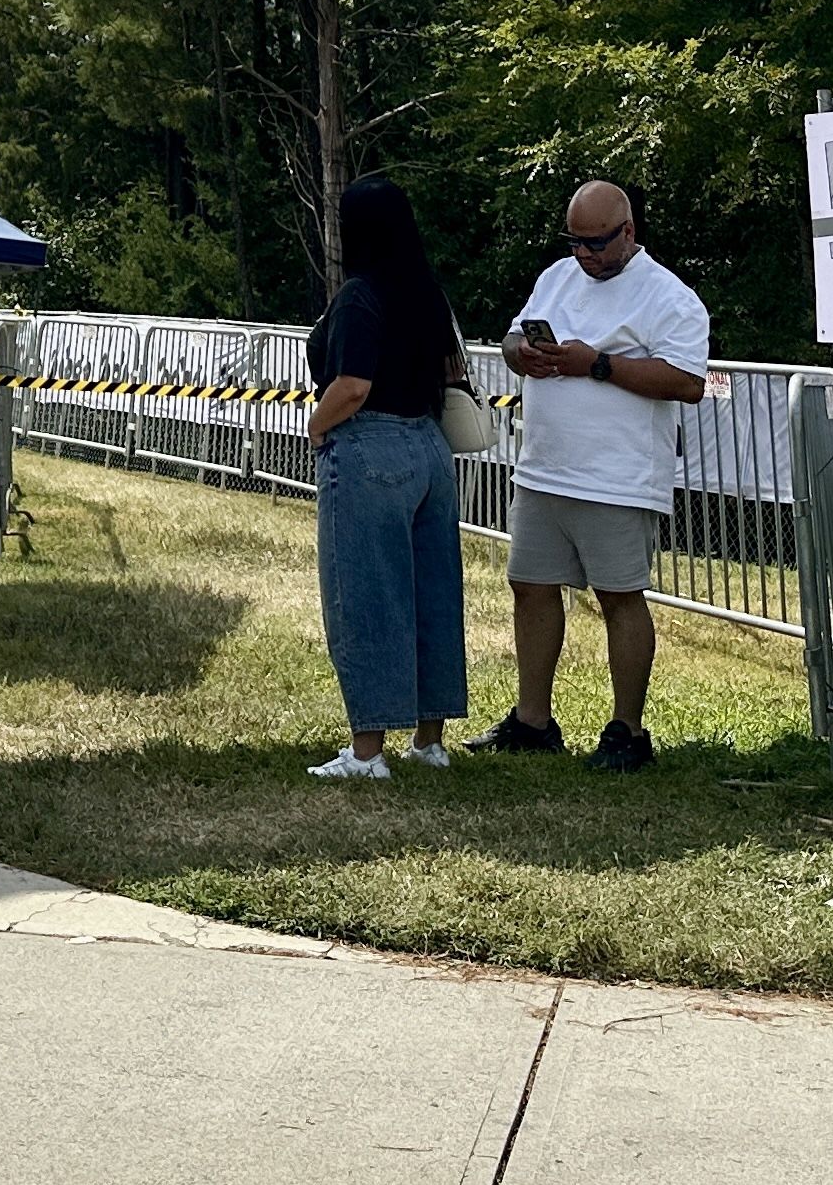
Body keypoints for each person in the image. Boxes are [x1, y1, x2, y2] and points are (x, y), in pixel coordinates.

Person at [477, 178, 712, 772]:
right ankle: (533, 721)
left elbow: (686, 382)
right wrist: (520, 354)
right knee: (530, 587)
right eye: (576, 241)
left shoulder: (669, 297)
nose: (584, 254)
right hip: (544, 470)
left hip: (618, 478)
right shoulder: (556, 277)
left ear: (628, 232)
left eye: (597, 243)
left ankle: (627, 731)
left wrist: (597, 364)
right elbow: (512, 336)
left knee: (619, 599)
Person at [300, 177, 470, 781]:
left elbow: (352, 386)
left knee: (366, 596)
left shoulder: (358, 296)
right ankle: (430, 740)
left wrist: (316, 426)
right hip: (429, 447)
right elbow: (453, 369)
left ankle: (367, 753)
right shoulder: (428, 292)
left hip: (370, 445)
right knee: (433, 594)